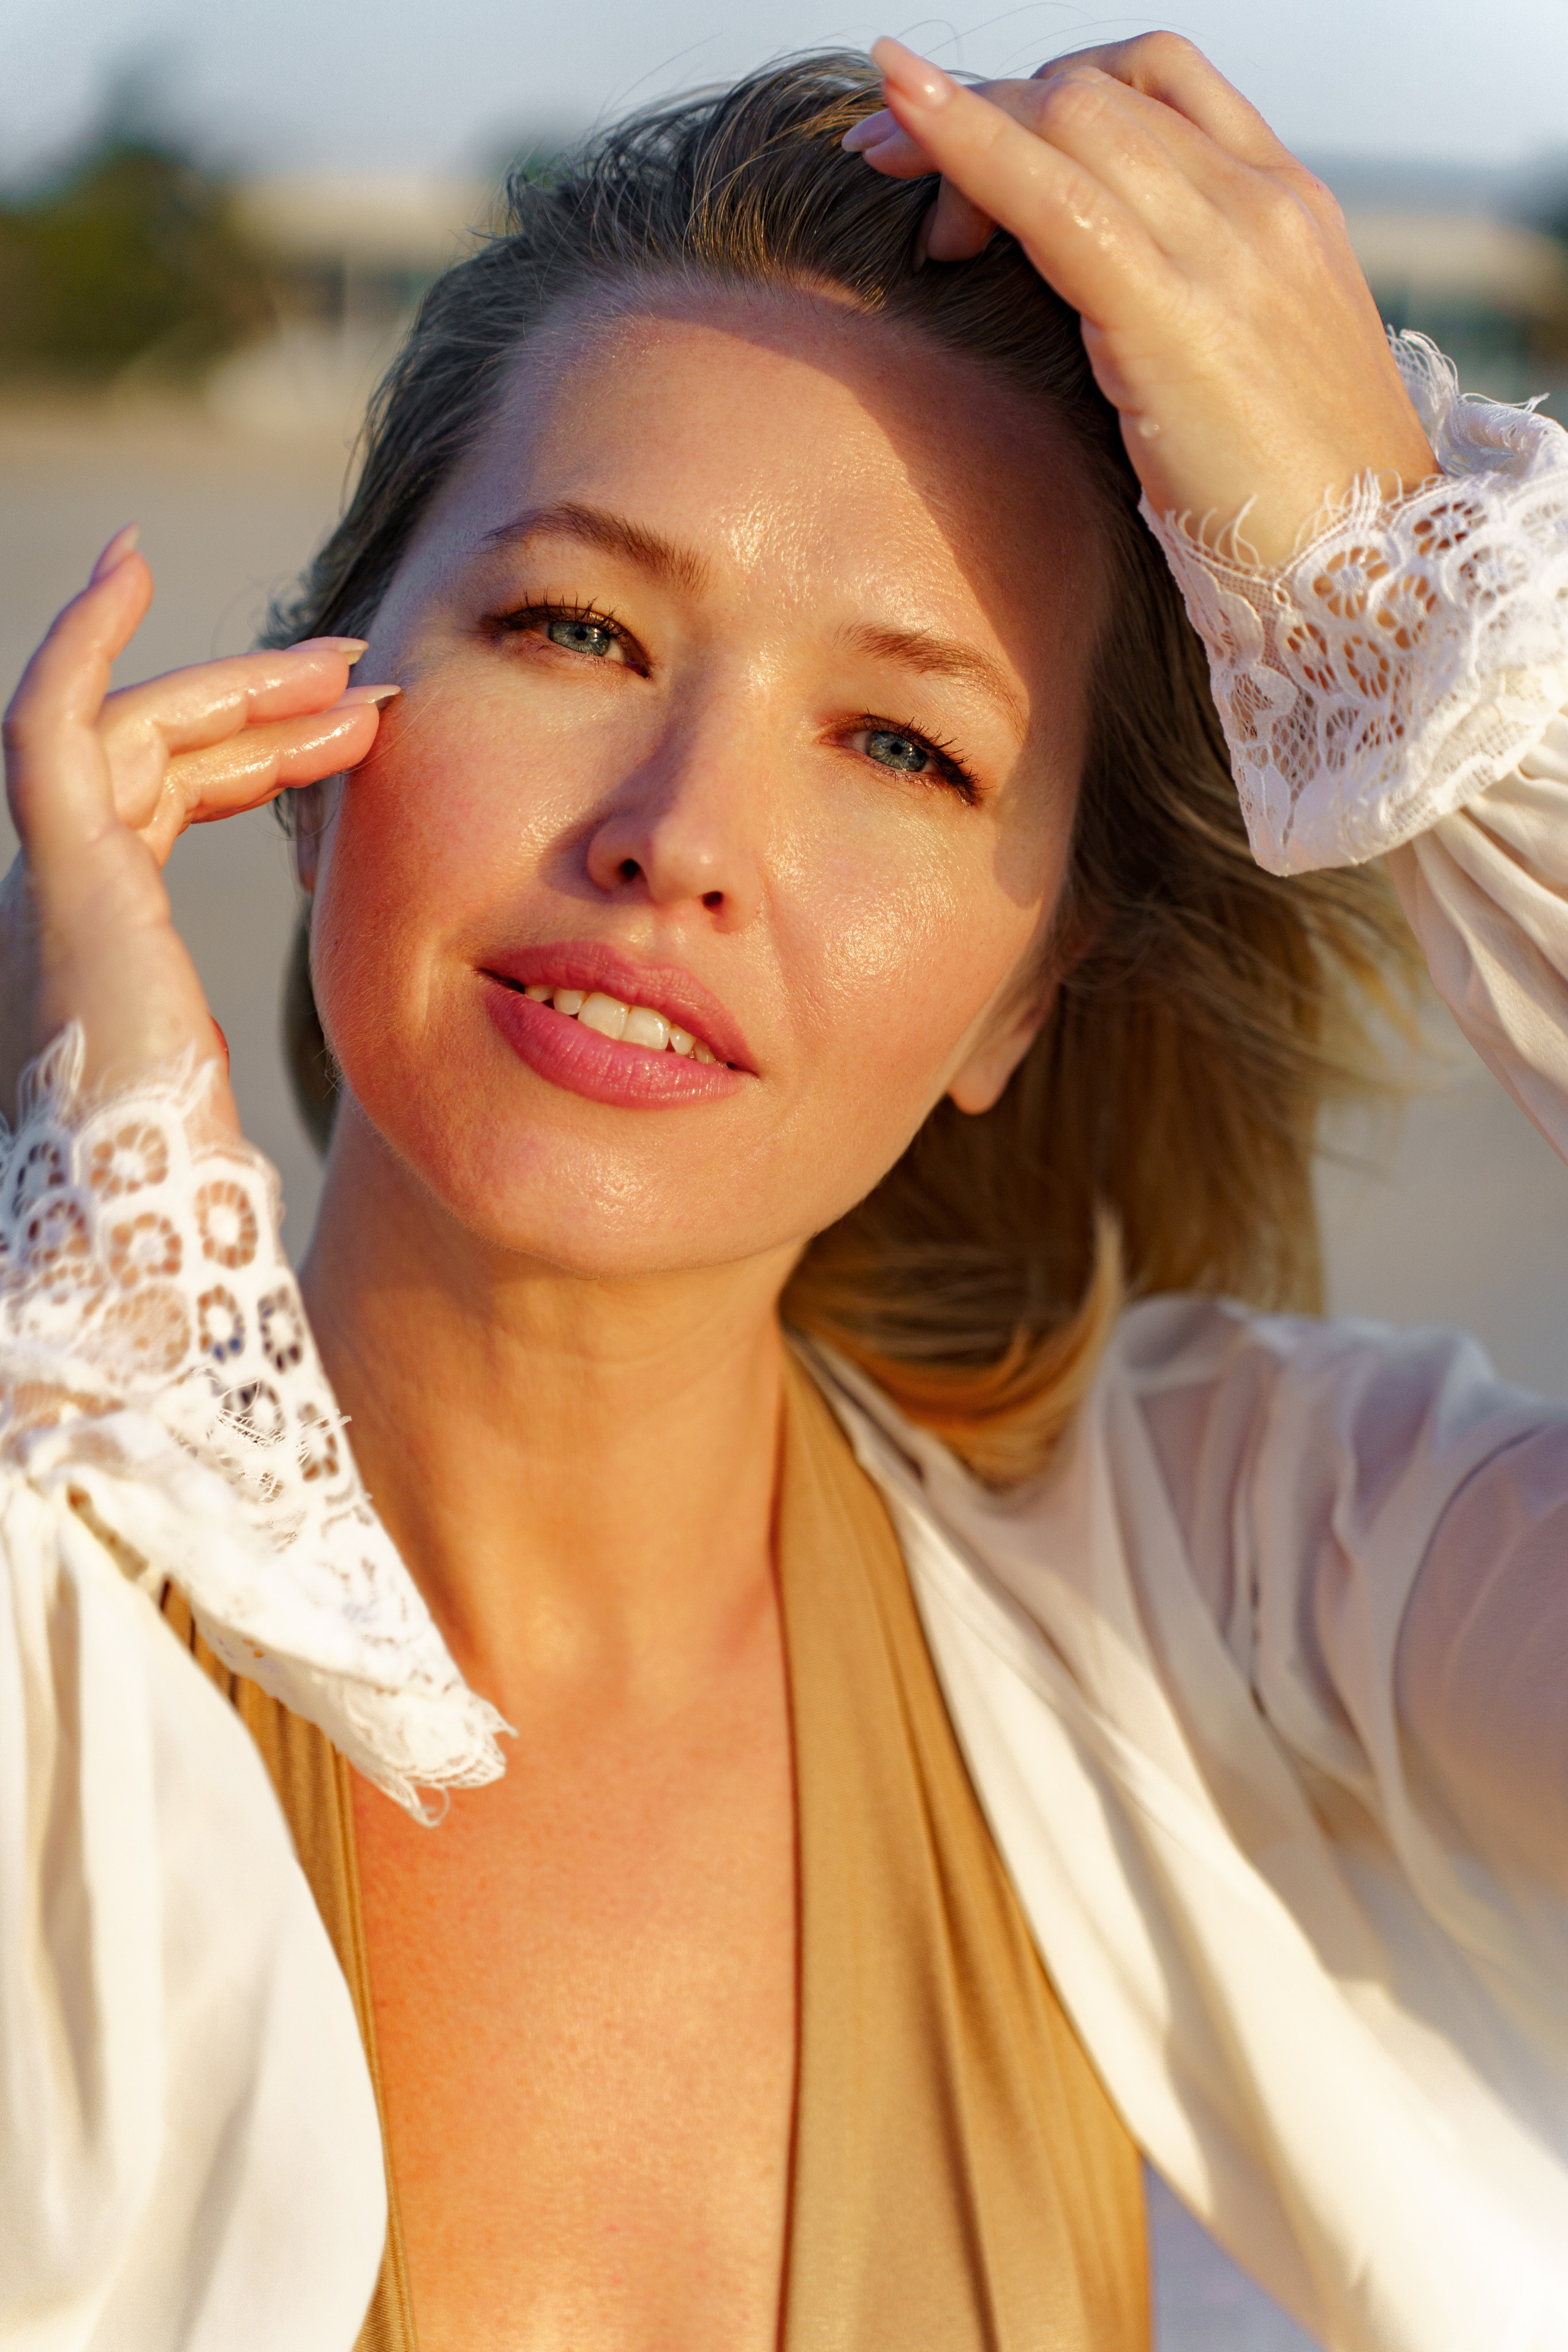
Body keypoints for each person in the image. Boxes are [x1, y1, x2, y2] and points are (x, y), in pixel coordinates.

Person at [3, 31, 1567, 2352]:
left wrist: (1405, 604)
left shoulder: (1239, 1590)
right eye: (575, 627)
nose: (681, 837)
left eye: (904, 745)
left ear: (1025, 1007)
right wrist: (77, 1328)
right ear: (313, 735)